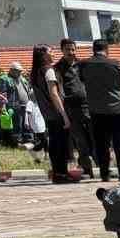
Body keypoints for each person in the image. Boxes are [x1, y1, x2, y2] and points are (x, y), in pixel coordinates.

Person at [78, 39, 120, 182]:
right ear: (107, 50)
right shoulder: (116, 64)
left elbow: (83, 80)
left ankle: (104, 173)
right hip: (118, 110)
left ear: (93, 50)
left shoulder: (84, 65)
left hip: (97, 111)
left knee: (101, 144)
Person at [32, 45, 78, 183]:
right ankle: (62, 173)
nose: (52, 54)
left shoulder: (36, 72)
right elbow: (54, 94)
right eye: (50, 51)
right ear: (44, 55)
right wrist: (64, 115)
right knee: (61, 144)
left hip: (47, 114)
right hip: (57, 112)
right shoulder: (49, 71)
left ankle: (58, 173)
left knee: (54, 143)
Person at [54, 38, 96, 175]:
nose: (71, 52)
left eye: (73, 49)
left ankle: (101, 166)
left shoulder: (82, 64)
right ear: (62, 50)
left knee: (95, 136)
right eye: (67, 49)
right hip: (71, 108)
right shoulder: (58, 68)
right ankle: (87, 168)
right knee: (80, 140)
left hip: (88, 106)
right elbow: (58, 88)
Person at [0, 62, 30, 148]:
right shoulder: (4, 79)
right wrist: (3, 107)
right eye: (17, 71)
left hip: (25, 106)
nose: (19, 73)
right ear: (11, 70)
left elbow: (28, 90)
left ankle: (25, 140)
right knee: (16, 125)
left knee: (25, 124)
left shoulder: (22, 79)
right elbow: (3, 94)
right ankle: (16, 143)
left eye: (20, 71)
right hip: (13, 106)